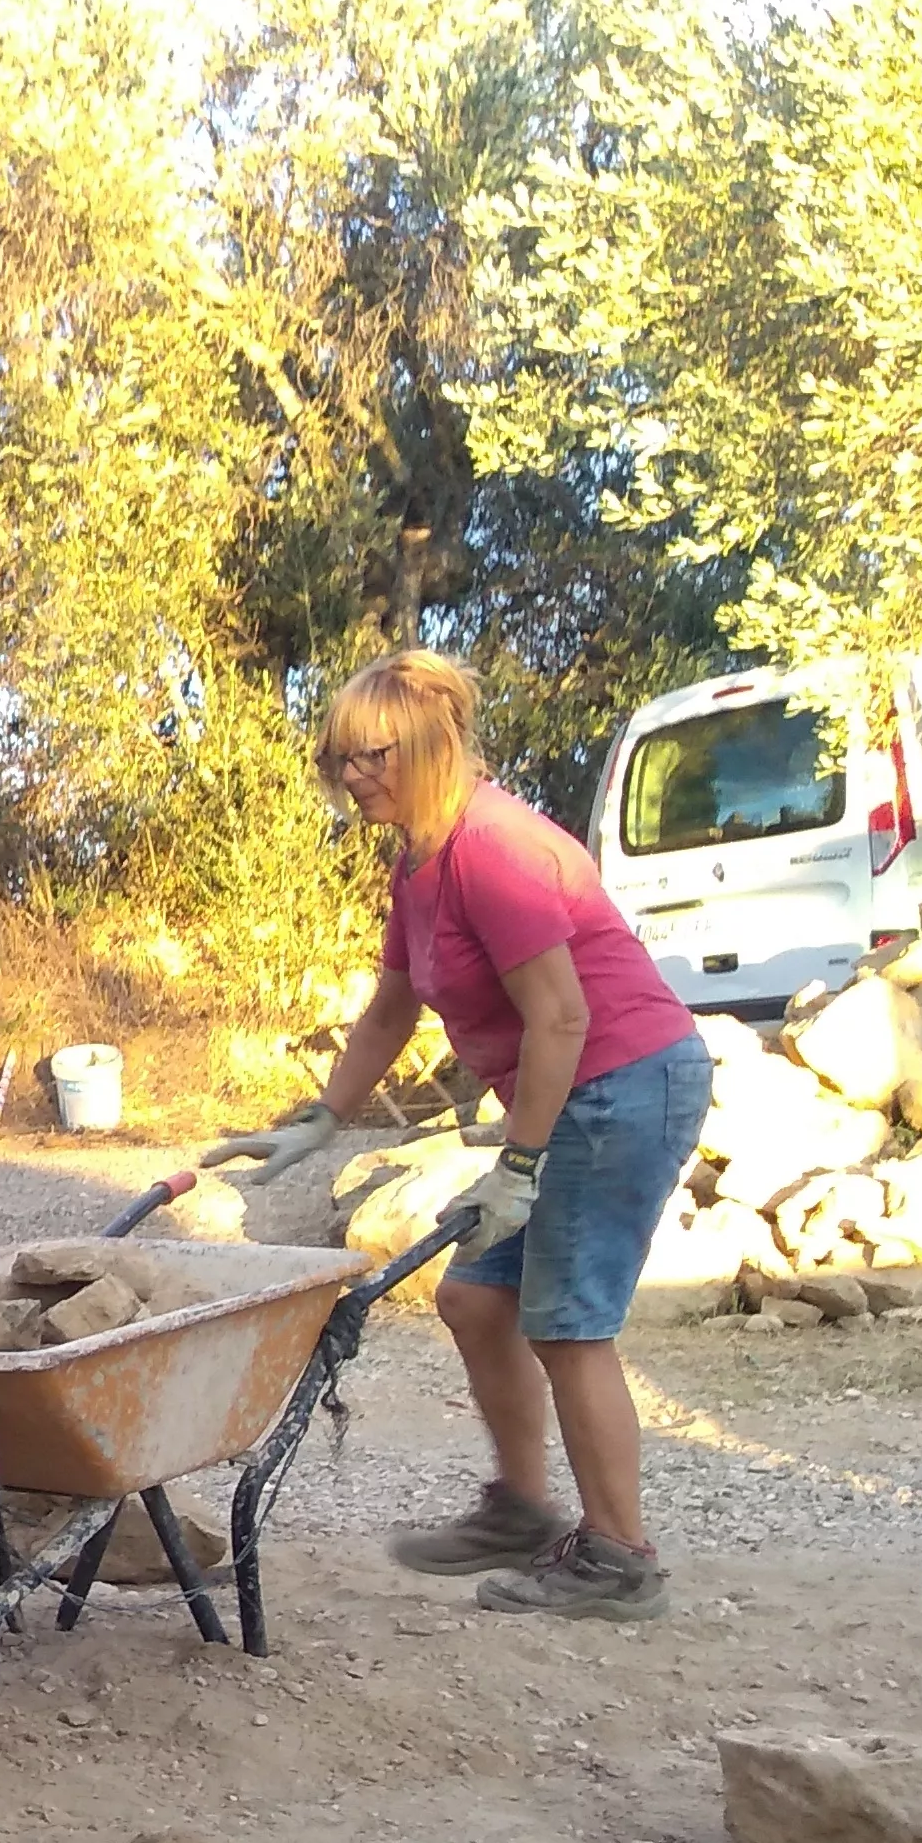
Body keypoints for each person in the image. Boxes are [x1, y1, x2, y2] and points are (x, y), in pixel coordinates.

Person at [201, 648, 710, 1619]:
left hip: (619, 1084)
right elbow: (390, 1010)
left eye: (367, 757)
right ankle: (520, 1507)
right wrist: (316, 1123)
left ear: (429, 744)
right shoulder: (421, 861)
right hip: (568, 1093)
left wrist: (518, 1164)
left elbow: (559, 1018)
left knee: (566, 1324)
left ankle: (618, 1558)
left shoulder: (493, 846)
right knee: (477, 1303)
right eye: (336, 760)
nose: (350, 778)